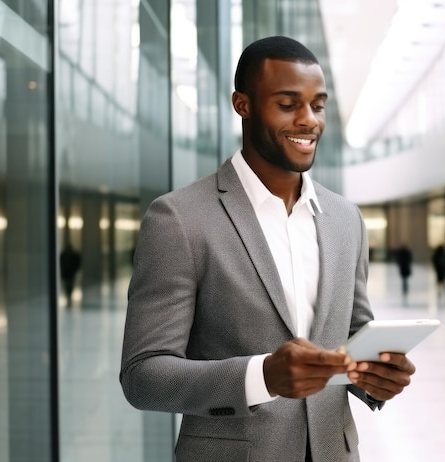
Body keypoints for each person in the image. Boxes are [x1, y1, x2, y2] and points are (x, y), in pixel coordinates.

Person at [119, 36, 416, 462]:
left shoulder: (345, 218)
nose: (308, 120)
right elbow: (143, 376)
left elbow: (353, 342)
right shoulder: (179, 219)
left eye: (318, 104)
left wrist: (375, 378)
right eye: (288, 103)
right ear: (243, 105)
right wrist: (262, 376)